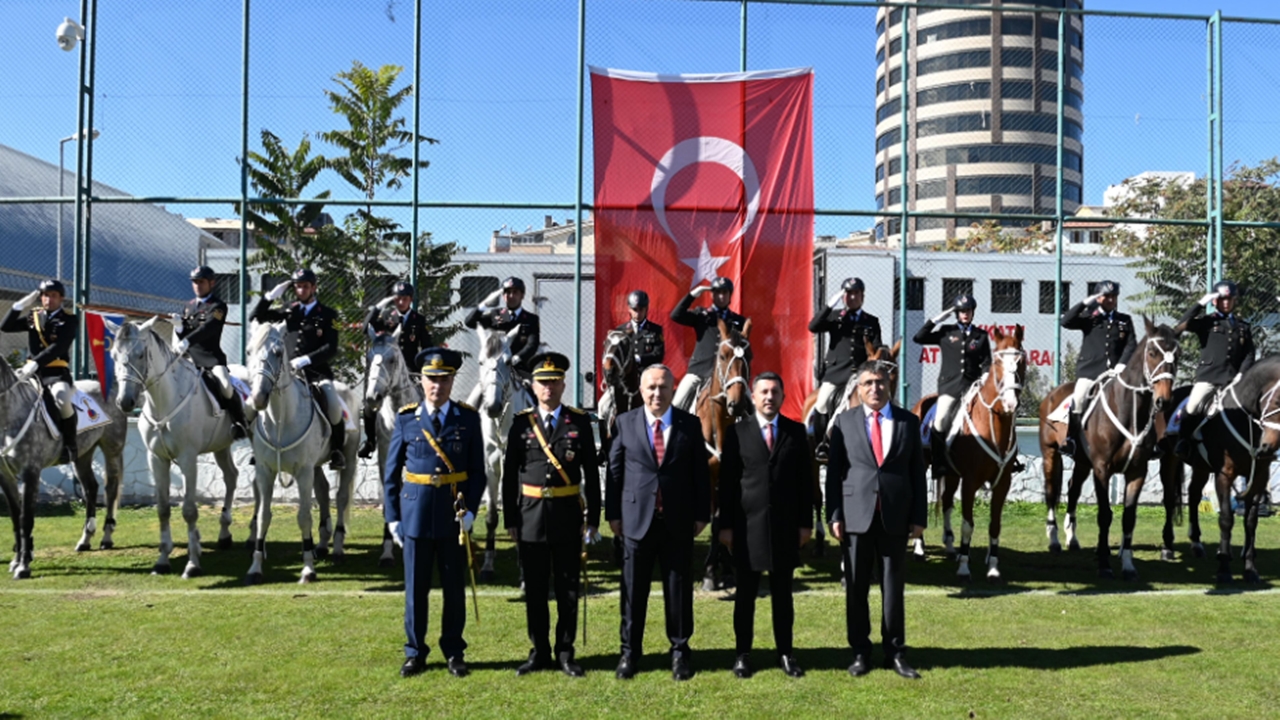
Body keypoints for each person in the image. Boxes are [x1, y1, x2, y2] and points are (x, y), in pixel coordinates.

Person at [383, 347, 486, 678]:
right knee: (415, 589)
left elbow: (477, 472)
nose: (436, 386)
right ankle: (415, 652)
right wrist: (393, 518)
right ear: (421, 380)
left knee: (454, 588)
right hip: (414, 515)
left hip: (454, 517)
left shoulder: (467, 419)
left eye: (443, 379)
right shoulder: (406, 418)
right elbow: (391, 473)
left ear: (453, 380)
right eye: (431, 379)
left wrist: (470, 511)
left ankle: (454, 651)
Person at [606, 364, 711, 681]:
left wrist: (701, 514)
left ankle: (680, 653)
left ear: (672, 389)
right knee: (632, 592)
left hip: (677, 522)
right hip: (635, 522)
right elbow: (614, 474)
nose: (656, 392)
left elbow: (700, 476)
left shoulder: (690, 425)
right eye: (651, 387)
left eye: (663, 387)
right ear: (641, 390)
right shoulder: (624, 423)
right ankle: (629, 653)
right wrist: (613, 515)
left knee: (679, 591)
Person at [501, 352, 601, 678]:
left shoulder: (579, 422)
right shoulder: (521, 424)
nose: (549, 388)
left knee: (568, 589)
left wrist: (595, 520)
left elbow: (592, 474)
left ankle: (565, 652)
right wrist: (511, 520)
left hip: (568, 516)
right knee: (535, 590)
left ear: (563, 384)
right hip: (530, 517)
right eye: (543, 382)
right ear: (533, 385)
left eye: (554, 382)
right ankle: (539, 651)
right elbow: (508, 476)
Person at [826, 362, 927, 680]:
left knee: (893, 589)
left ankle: (895, 652)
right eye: (868, 383)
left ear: (889, 385)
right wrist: (835, 514)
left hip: (895, 516)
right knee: (856, 588)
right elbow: (834, 475)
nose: (875, 388)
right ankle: (860, 652)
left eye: (880, 382)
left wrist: (919, 517)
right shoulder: (843, 422)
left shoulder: (909, 422)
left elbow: (917, 474)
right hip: (856, 516)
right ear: (859, 388)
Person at [717, 371, 813, 679]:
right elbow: (728, 484)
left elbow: (804, 483)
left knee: (783, 595)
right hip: (747, 528)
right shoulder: (737, 432)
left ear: (783, 397)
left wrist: (805, 524)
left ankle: (786, 653)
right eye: (764, 392)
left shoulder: (796, 432)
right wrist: (726, 526)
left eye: (775, 392)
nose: (769, 397)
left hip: (785, 527)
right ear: (753, 398)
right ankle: (742, 654)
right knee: (745, 595)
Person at [250, 269, 347, 469]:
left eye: (305, 286)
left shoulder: (329, 315)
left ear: (313, 288)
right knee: (257, 398)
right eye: (297, 286)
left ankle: (337, 451)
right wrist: (270, 296)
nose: (300, 290)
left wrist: (305, 360)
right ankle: (257, 446)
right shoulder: (288, 310)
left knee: (334, 405)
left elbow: (331, 347)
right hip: (286, 373)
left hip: (316, 373)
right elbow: (256, 317)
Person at [1175, 280, 1256, 457]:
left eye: (1229, 299)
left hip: (1234, 380)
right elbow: (1182, 324)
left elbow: (1249, 353)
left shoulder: (1243, 326)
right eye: (1221, 299)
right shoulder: (1206, 322)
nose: (1226, 302)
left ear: (1234, 301)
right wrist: (1200, 303)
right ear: (1215, 301)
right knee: (1193, 406)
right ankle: (1184, 441)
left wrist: (1241, 374)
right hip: (1209, 378)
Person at [912, 293, 990, 477]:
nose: (965, 314)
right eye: (961, 311)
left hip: (973, 387)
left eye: (968, 310)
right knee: (940, 421)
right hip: (950, 388)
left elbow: (987, 361)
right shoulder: (946, 332)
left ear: (972, 312)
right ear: (957, 313)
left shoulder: (982, 335)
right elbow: (919, 337)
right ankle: (939, 464)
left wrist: (986, 376)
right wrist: (938, 318)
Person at [2, 279, 78, 463]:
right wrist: (19, 305)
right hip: (31, 374)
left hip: (55, 373)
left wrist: (35, 363)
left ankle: (69, 445)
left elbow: (59, 347)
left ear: (61, 298)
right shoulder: (33, 316)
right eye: (45, 296)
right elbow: (5, 326)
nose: (48, 300)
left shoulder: (69, 319)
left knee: (61, 399)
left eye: (53, 296)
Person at [808, 277, 882, 460]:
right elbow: (813, 326)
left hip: (860, 374)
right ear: (843, 297)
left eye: (856, 293)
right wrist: (829, 305)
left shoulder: (871, 321)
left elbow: (877, 347)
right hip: (835, 373)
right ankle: (822, 444)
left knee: (880, 401)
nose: (852, 297)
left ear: (862, 296)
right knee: (822, 403)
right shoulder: (834, 317)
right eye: (848, 293)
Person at [1059, 281, 1136, 457]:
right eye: (1107, 296)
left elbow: (1131, 345)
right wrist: (1086, 302)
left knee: (1136, 398)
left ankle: (1141, 439)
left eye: (1113, 296)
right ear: (1098, 298)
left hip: (1116, 373)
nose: (1111, 300)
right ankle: (1071, 439)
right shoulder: (1089, 317)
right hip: (1090, 372)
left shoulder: (1124, 320)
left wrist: (1121, 365)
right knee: (1078, 399)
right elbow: (1066, 321)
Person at [358, 280, 433, 459]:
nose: (401, 302)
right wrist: (378, 307)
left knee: (431, 402)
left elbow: (427, 348)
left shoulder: (418, 320)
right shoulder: (385, 318)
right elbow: (364, 328)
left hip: (411, 373)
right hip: (386, 371)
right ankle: (370, 441)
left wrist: (424, 370)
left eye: (405, 299)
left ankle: (431, 440)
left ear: (411, 300)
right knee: (369, 406)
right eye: (398, 299)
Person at [174, 266, 249, 440]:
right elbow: (185, 333)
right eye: (195, 282)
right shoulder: (188, 306)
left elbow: (209, 328)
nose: (197, 286)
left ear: (212, 283)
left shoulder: (218, 306)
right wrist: (179, 328)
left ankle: (240, 423)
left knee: (226, 387)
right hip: (189, 358)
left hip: (211, 359)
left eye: (201, 282)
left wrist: (186, 341)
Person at [670, 277, 750, 411]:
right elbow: (676, 315)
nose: (721, 296)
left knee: (751, 407)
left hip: (728, 374)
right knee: (675, 406)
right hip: (699, 371)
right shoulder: (701, 315)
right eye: (718, 292)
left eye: (725, 293)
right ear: (712, 295)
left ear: (730, 295)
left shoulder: (738, 321)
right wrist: (692, 295)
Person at [599, 289, 665, 425]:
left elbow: (658, 354)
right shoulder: (620, 330)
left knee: (659, 407)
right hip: (623, 381)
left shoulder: (655, 330)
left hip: (647, 377)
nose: (637, 313)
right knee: (602, 406)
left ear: (646, 309)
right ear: (629, 309)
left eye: (641, 309)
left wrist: (638, 359)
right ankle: (606, 444)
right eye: (634, 309)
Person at [464, 276, 540, 384]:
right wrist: (484, 305)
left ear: (522, 295)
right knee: (478, 398)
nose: (511, 296)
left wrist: (517, 357)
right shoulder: (498, 315)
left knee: (534, 396)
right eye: (507, 293)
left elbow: (532, 344)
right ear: (503, 296)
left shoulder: (530, 319)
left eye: (515, 292)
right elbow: (469, 322)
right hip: (495, 370)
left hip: (521, 370)